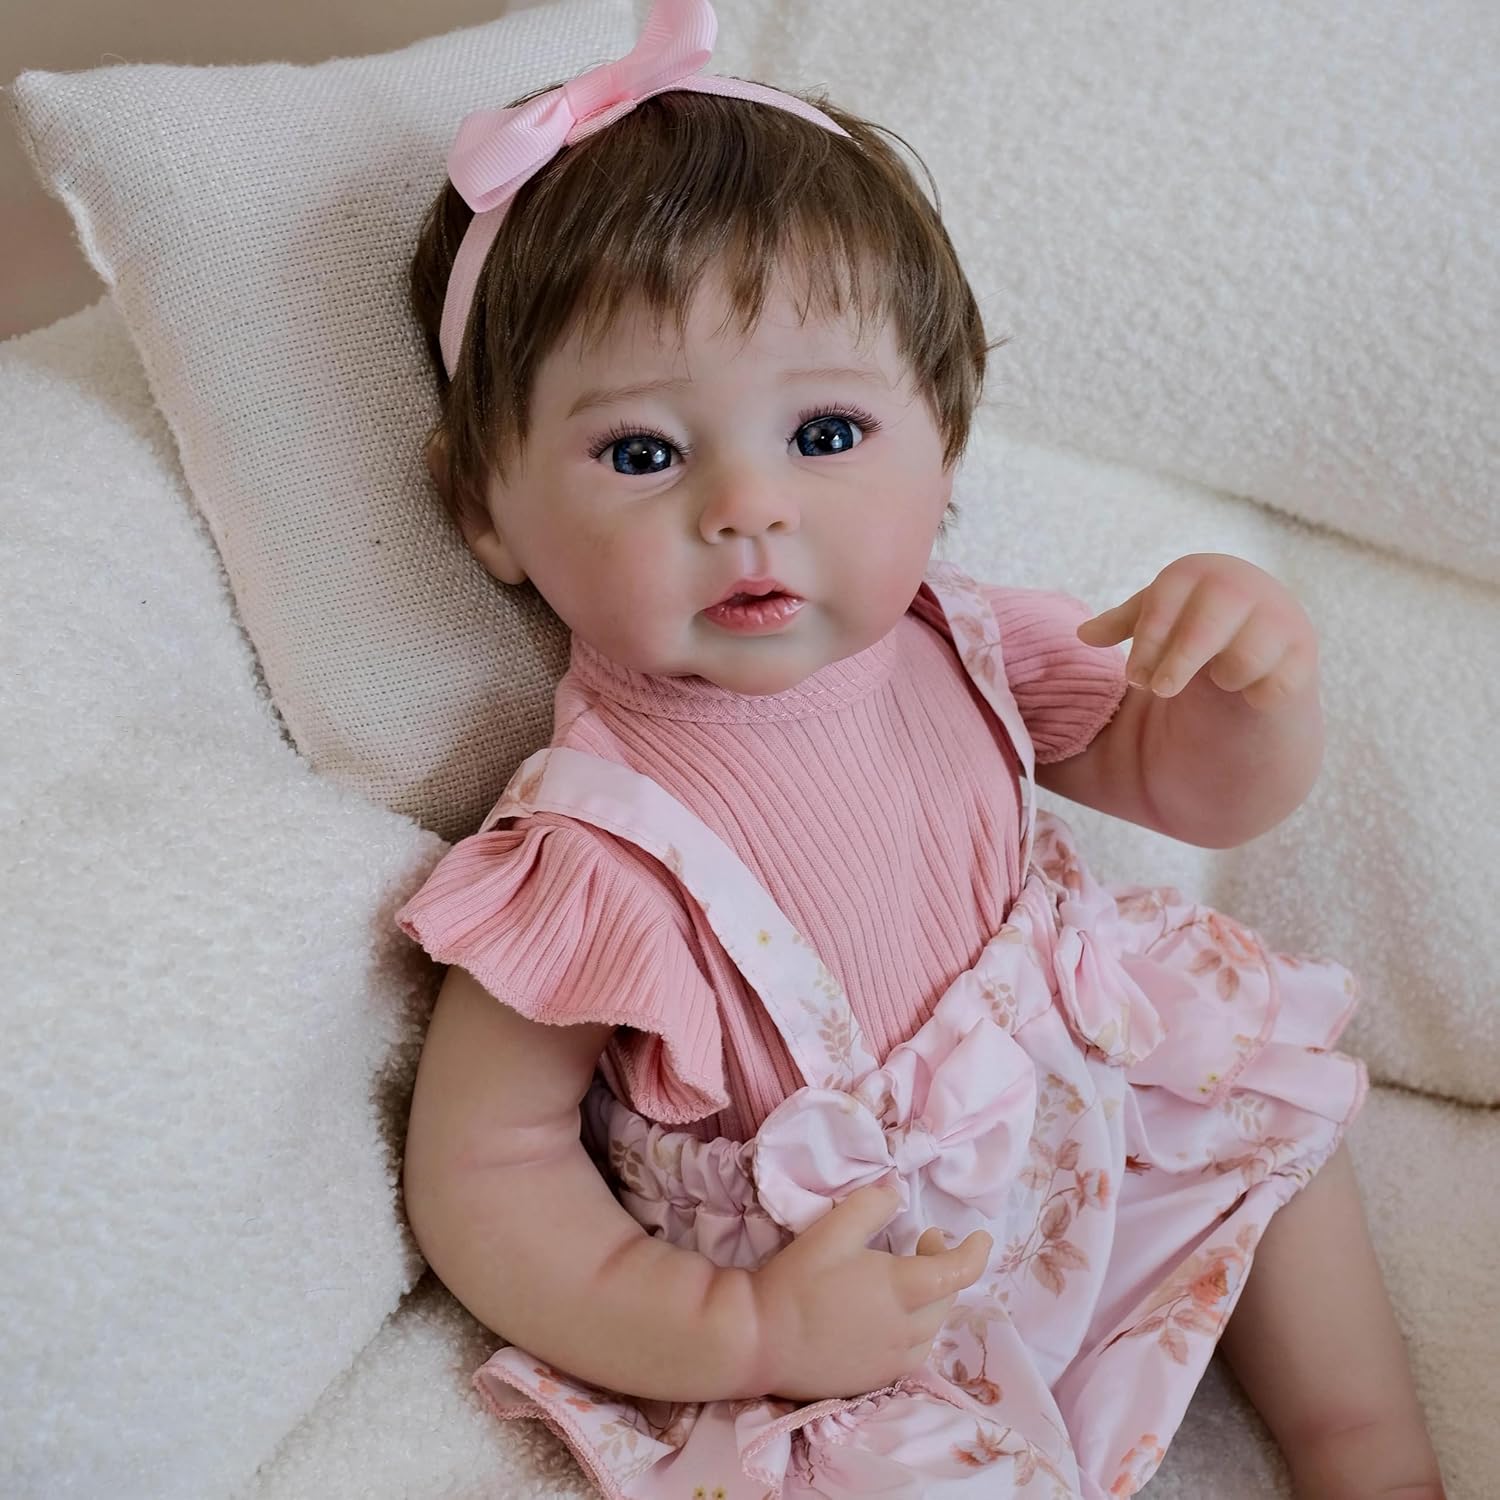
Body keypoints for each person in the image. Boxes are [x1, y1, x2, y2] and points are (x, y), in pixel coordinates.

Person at [393, 2, 1443, 1494]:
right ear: (484, 512)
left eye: (825, 435)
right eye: (643, 453)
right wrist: (746, 1329)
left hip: (1093, 1109)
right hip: (857, 1289)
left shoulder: (962, 640)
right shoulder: (597, 851)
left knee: (1259, 1112)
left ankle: (1371, 1456)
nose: (749, 508)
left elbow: (1196, 789)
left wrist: (1249, 689)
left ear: (943, 445)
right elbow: (485, 1176)